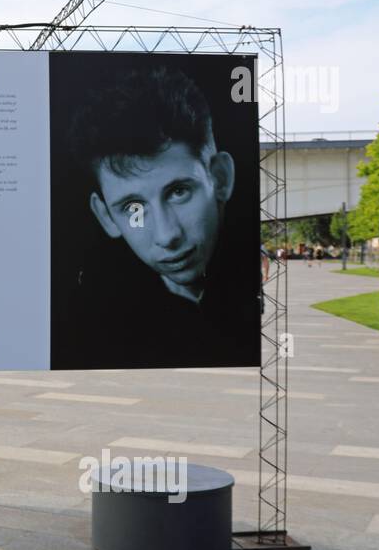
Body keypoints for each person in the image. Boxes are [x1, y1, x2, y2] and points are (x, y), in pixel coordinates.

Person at [65, 64, 258, 368]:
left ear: (220, 179)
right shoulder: (97, 331)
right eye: (133, 208)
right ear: (106, 217)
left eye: (179, 192)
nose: (168, 236)